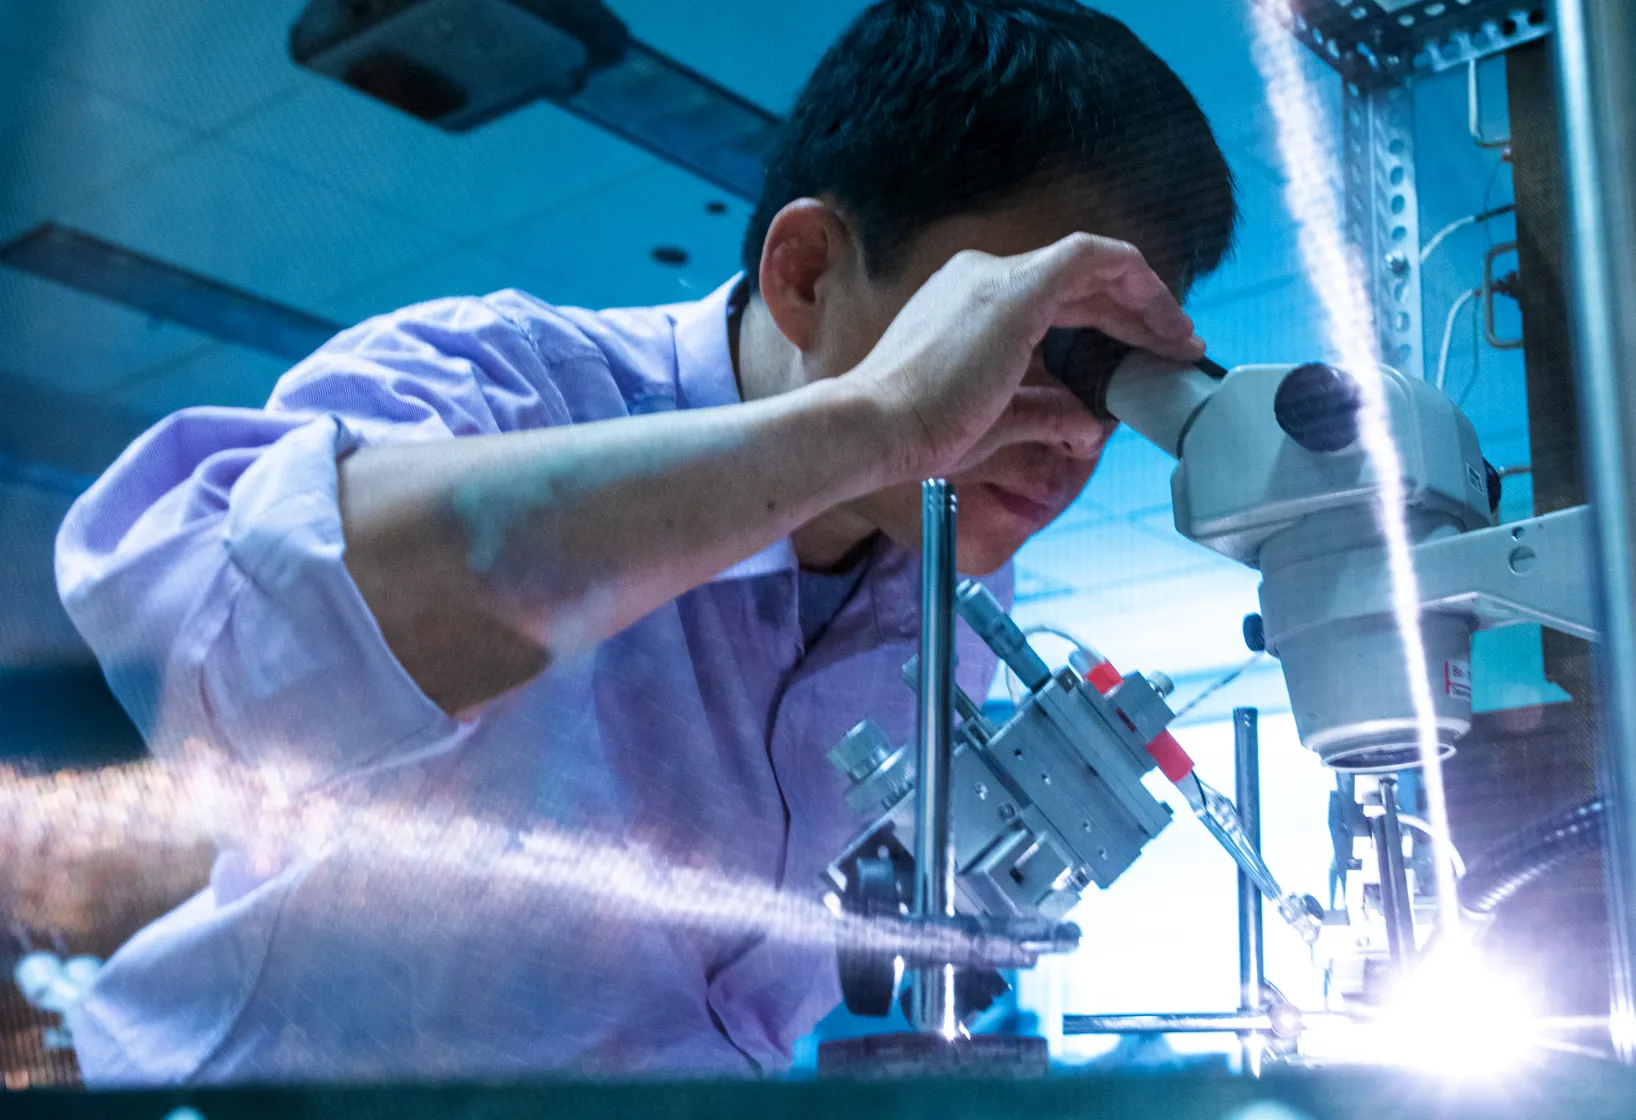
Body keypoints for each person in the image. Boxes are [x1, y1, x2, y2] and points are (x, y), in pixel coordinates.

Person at [53, 0, 1235, 1084]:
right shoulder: (501, 383)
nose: (1075, 437)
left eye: (1113, 379)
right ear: (810, 273)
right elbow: (236, 671)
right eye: (1036, 341)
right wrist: (875, 423)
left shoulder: (942, 610)